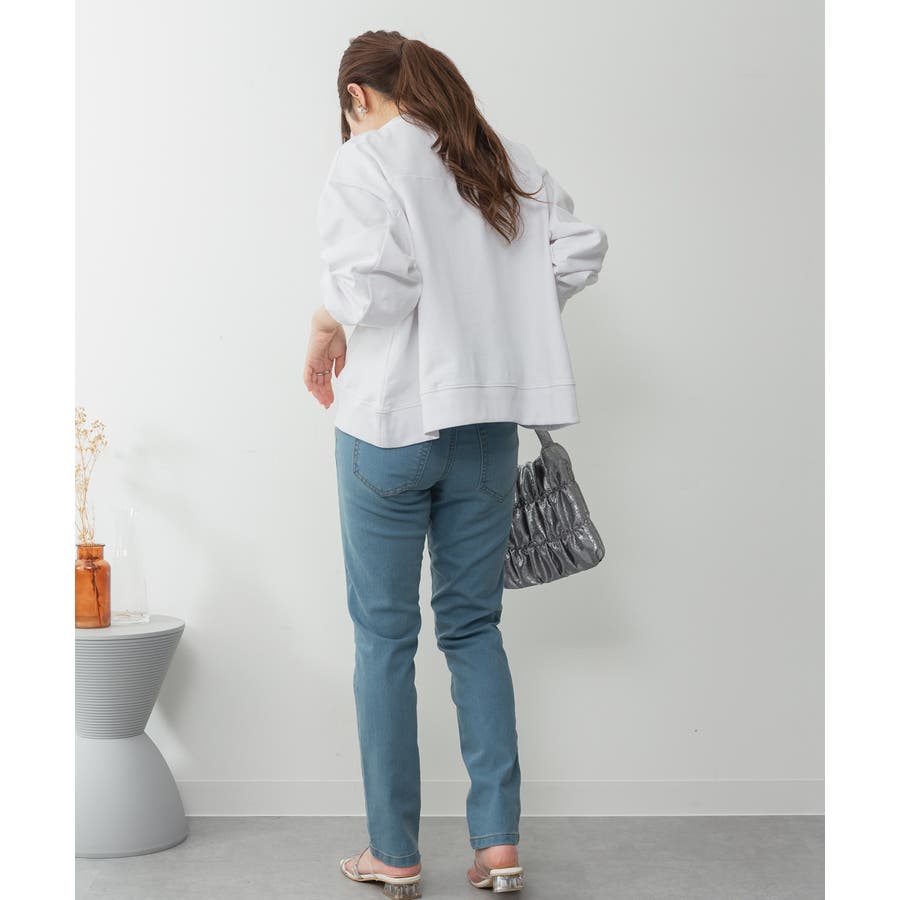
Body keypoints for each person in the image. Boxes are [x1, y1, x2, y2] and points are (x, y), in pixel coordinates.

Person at [304, 29, 608, 898]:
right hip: (485, 428)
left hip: (389, 426)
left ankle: (393, 854)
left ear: (357, 96)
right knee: (474, 630)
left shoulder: (366, 161)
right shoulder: (497, 153)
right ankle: (498, 847)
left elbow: (374, 290)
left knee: (383, 641)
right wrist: (507, 316)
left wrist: (322, 323)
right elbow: (579, 248)